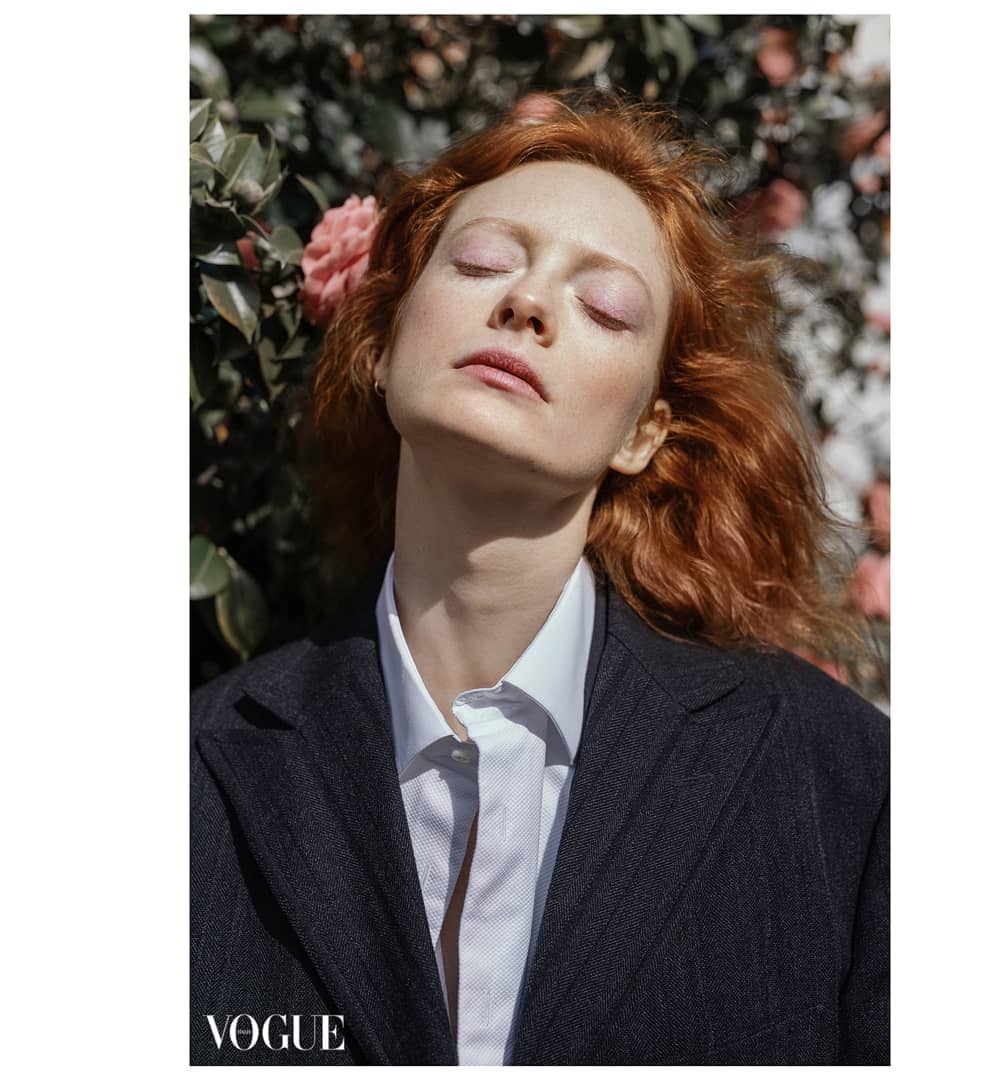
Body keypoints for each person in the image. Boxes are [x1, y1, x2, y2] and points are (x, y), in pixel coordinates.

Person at [190, 90, 888, 1066]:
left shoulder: (842, 787)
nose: (525, 304)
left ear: (644, 431)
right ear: (383, 345)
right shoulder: (191, 775)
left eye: (606, 307)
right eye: (482, 263)